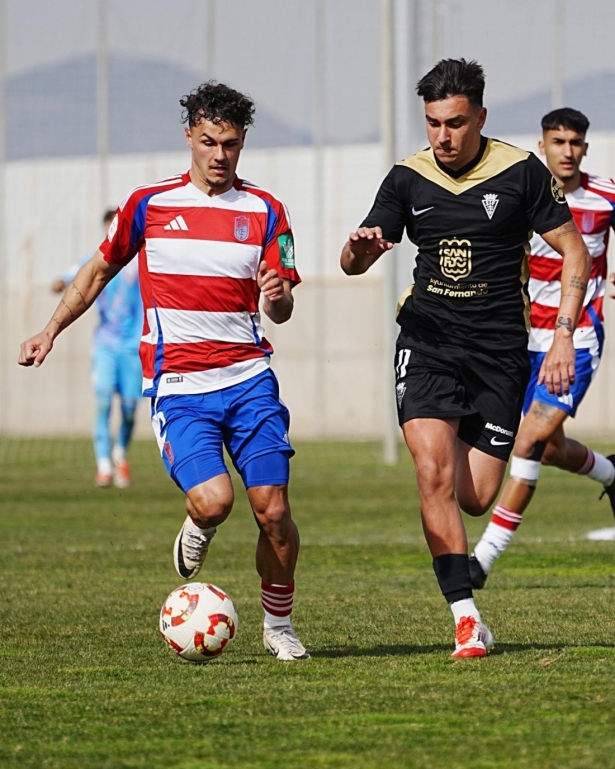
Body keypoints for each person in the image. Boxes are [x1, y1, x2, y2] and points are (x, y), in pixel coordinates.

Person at [19, 81, 309, 662]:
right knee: (214, 501)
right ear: (189, 137)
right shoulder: (148, 206)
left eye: (230, 143)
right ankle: (197, 525)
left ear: (243, 141)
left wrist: (276, 295)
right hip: (179, 386)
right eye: (209, 142)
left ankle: (278, 626)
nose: (220, 155)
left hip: (249, 379)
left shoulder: (266, 211)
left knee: (274, 510)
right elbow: (97, 272)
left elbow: (282, 306)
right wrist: (49, 329)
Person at [340, 59, 590, 658]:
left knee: (475, 496)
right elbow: (356, 262)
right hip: (426, 341)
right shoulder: (407, 178)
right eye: (432, 124)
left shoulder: (521, 173)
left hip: (500, 353)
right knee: (432, 472)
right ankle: (465, 617)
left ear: (480, 115)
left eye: (454, 123)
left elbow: (575, 252)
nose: (442, 137)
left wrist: (560, 337)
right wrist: (357, 250)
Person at [470, 108, 615, 589]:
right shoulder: (520, 195)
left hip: (577, 338)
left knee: (528, 440)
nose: (568, 151)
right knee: (549, 448)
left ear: (586, 148)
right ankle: (613, 474)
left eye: (575, 142)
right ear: (543, 146)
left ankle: (483, 558)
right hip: (521, 338)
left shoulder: (606, 195)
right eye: (559, 142)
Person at [52, 210, 143, 488]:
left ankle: (119, 455)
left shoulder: (140, 263)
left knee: (129, 409)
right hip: (105, 345)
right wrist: (60, 283)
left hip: (133, 348)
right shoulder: (95, 261)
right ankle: (103, 466)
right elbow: (68, 279)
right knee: (103, 403)